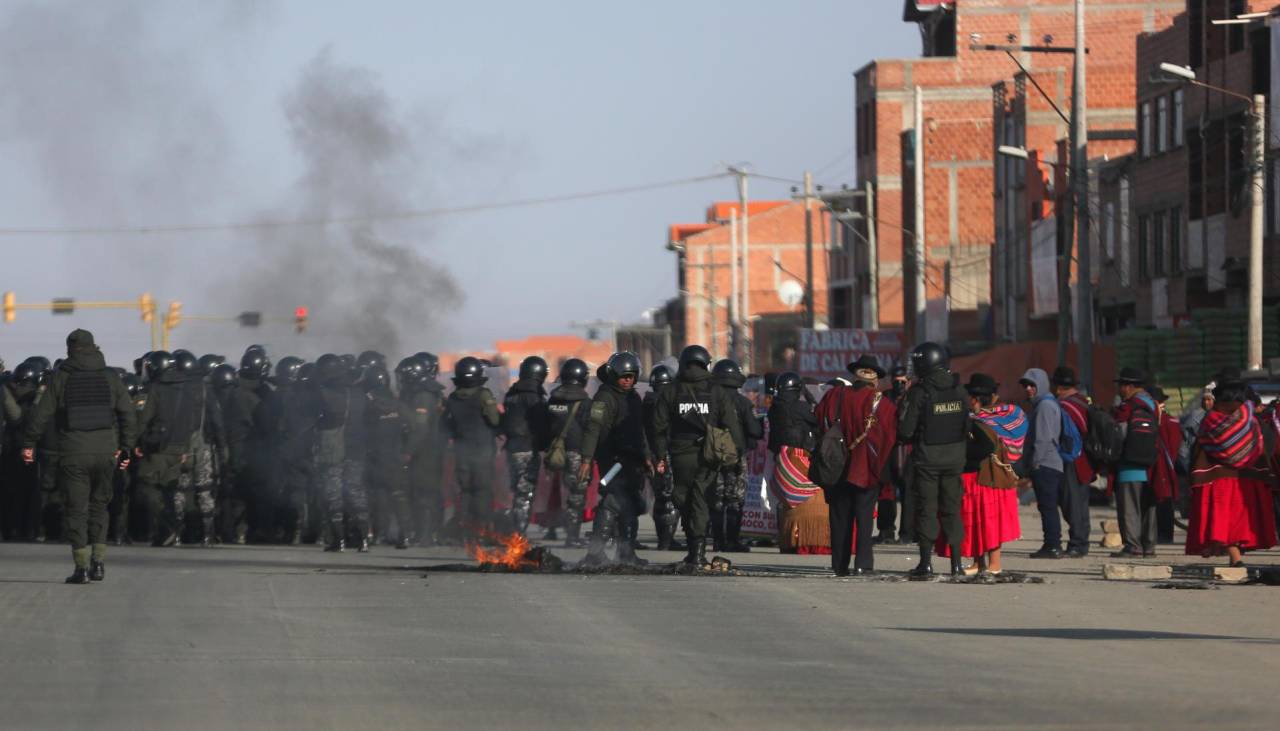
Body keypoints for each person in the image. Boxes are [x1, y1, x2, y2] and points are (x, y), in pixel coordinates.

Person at [21, 330, 136, 584]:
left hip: (73, 452)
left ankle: (81, 568)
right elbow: (128, 414)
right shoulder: (111, 377)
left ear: (70, 349)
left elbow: (41, 414)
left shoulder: (61, 376)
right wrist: (126, 448)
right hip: (107, 451)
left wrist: (29, 443)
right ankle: (98, 564)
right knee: (99, 507)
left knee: (77, 510)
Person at [652, 346, 744, 567]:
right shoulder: (717, 391)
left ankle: (694, 548)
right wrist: (737, 454)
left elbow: (658, 427)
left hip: (680, 453)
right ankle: (698, 551)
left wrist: (660, 456)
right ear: (706, 364)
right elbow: (732, 425)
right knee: (702, 499)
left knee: (683, 498)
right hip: (709, 455)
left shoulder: (671, 391)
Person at [814, 355, 897, 576]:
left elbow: (818, 419)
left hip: (836, 465)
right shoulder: (883, 404)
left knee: (839, 517)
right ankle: (863, 563)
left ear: (855, 375)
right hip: (866, 468)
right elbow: (890, 436)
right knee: (864, 517)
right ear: (875, 380)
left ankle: (839, 564)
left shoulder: (834, 395)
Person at [1187, 374, 1277, 566]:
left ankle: (1234, 556)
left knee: (1222, 519)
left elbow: (1197, 449)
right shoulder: (1252, 421)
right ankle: (1235, 555)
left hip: (1218, 479)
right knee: (1241, 519)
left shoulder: (1210, 421)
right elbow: (1267, 446)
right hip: (1247, 479)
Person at [939, 374, 1024, 575]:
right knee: (979, 521)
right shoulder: (1010, 414)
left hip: (991, 477)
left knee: (990, 520)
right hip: (984, 476)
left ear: (975, 399)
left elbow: (987, 446)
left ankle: (994, 564)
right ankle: (979, 562)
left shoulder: (985, 419)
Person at [896, 342, 969, 577]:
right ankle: (956, 564)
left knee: (927, 510)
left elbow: (905, 430)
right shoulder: (960, 390)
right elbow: (966, 424)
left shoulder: (919, 392)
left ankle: (925, 563)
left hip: (927, 460)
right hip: (956, 458)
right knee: (952, 509)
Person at [578, 352, 650, 565]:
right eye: (624, 376)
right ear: (613, 375)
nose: (628, 380)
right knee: (612, 503)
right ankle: (596, 553)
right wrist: (586, 459)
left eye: (632, 376)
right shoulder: (604, 397)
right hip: (613, 459)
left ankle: (625, 552)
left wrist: (646, 455)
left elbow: (640, 430)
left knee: (631, 504)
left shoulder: (633, 397)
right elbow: (593, 429)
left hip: (632, 459)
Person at [313, 354, 372, 552]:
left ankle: (338, 540)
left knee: (333, 494)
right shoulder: (359, 393)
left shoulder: (324, 394)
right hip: (357, 448)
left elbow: (315, 419)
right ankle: (364, 538)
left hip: (333, 449)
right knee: (356, 492)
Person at [766, 371, 825, 553]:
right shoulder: (800, 407)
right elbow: (818, 421)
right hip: (801, 458)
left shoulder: (774, 409)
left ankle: (787, 537)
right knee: (813, 501)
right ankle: (810, 538)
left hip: (781, 460)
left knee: (785, 503)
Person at [710, 358, 763, 552]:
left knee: (716, 499)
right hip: (735, 456)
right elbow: (755, 430)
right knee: (735, 499)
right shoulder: (742, 402)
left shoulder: (708, 399)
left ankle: (716, 541)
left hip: (711, 455)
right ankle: (731, 541)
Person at [445, 356, 501, 535]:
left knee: (465, 490)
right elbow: (494, 419)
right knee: (483, 489)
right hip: (482, 448)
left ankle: (464, 526)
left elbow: (448, 424)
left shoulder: (452, 398)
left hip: (462, 449)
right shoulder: (483, 395)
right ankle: (484, 527)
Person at [1015, 368, 1066, 559]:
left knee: (1048, 506)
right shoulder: (1045, 404)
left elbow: (1043, 439)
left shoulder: (1045, 406)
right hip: (1047, 463)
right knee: (1047, 506)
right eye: (1025, 385)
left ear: (1041, 385)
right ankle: (1051, 543)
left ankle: (1052, 545)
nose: (1028, 389)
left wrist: (1035, 464)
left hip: (1045, 464)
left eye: (1032, 385)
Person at [398, 354, 447, 545]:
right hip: (428, 448)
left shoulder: (423, 395)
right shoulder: (424, 392)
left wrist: (408, 451)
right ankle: (426, 532)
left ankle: (426, 535)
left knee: (424, 492)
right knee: (423, 491)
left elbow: (420, 428)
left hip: (426, 450)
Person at [546, 358, 593, 548]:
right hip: (576, 453)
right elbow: (590, 430)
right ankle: (572, 536)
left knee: (559, 493)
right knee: (576, 496)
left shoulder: (553, 399)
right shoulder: (585, 402)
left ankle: (560, 530)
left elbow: (547, 425)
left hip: (556, 452)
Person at [1112, 367, 1159, 558]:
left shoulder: (1127, 407)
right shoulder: (1154, 405)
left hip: (1129, 465)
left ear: (1129, 386)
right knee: (1149, 507)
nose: (1120, 390)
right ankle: (1149, 546)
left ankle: (1133, 546)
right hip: (1151, 465)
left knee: (1130, 508)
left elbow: (1120, 434)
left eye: (1121, 386)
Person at [364, 366, 412, 549]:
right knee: (399, 496)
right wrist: (407, 450)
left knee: (379, 497)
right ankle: (404, 535)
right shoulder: (398, 405)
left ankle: (379, 535)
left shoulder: (367, 404)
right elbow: (414, 426)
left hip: (376, 456)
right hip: (395, 456)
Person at [502, 356, 550, 535]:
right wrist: (546, 445)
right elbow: (541, 424)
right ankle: (518, 535)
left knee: (517, 490)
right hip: (528, 448)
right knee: (525, 493)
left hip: (512, 448)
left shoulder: (511, 393)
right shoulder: (535, 396)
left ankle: (514, 531)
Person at [1051, 367, 1093, 557]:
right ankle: (1081, 541)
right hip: (1087, 460)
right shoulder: (1085, 402)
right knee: (1081, 504)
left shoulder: (1064, 407)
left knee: (1072, 504)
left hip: (1071, 460)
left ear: (1059, 387)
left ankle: (1077, 543)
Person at [643, 364, 680, 550]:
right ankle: (666, 540)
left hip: (652, 455)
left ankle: (663, 539)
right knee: (669, 498)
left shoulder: (647, 402)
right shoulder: (668, 402)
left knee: (660, 497)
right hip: (666, 454)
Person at [882, 366, 914, 544]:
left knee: (909, 492)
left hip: (907, 448)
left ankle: (907, 533)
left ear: (908, 382)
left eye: (903, 382)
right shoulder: (886, 397)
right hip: (888, 449)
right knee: (887, 491)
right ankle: (886, 531)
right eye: (896, 382)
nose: (899, 385)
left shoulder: (914, 397)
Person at [1148, 386, 1183, 544]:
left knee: (1163, 502)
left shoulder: (1167, 422)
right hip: (1162, 466)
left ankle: (1164, 534)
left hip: (1164, 465)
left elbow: (1175, 447)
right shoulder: (1170, 421)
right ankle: (1160, 533)